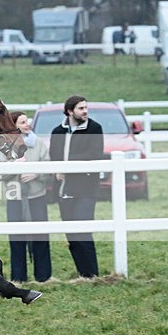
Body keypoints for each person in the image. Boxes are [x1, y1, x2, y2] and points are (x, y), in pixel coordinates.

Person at [0, 111, 52, 282]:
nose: (28, 124)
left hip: (37, 197)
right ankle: (19, 278)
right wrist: (13, 166)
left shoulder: (39, 144)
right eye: (23, 122)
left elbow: (48, 167)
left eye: (27, 121)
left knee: (41, 237)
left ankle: (44, 276)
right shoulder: (2, 146)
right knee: (17, 239)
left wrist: (36, 174)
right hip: (15, 199)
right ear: (13, 126)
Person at [50, 95, 104, 279]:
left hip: (86, 189)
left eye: (86, 108)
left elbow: (94, 154)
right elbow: (53, 157)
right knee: (71, 236)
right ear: (70, 111)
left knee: (83, 232)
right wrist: (56, 170)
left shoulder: (95, 129)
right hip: (63, 189)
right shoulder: (57, 132)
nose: (85, 111)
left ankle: (93, 275)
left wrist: (67, 166)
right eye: (81, 108)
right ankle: (82, 274)